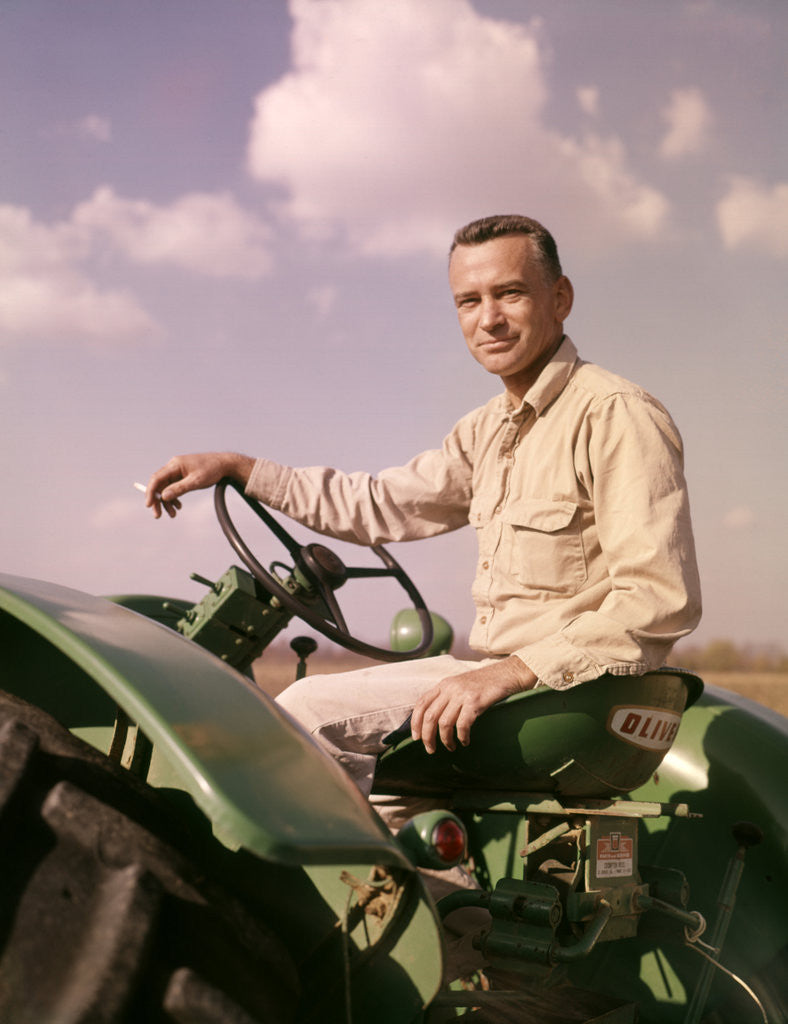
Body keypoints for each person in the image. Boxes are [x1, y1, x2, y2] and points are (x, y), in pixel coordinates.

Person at [145, 214, 701, 800]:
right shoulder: (487, 432)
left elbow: (655, 599)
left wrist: (505, 673)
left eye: (509, 293)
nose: (488, 318)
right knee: (387, 793)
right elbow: (380, 505)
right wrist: (244, 469)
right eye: (469, 301)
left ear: (559, 298)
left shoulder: (614, 413)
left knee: (303, 710)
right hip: (532, 688)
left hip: (569, 693)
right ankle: (427, 889)